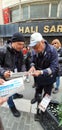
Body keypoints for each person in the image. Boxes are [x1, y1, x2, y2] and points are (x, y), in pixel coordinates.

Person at [28, 32, 59, 104]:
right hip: (38, 76)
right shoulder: (34, 50)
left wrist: (41, 72)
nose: (35, 50)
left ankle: (43, 107)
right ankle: (36, 98)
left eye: (36, 47)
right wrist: (32, 66)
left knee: (47, 94)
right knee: (38, 89)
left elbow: (54, 67)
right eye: (33, 48)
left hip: (49, 77)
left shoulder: (52, 50)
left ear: (42, 42)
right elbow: (32, 60)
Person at [0, 32, 25, 117]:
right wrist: (3, 72)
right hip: (5, 77)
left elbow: (22, 63)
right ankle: (12, 107)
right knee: (8, 94)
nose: (21, 46)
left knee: (16, 87)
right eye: (19, 44)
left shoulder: (20, 52)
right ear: (12, 42)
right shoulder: (2, 50)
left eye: (22, 44)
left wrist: (24, 72)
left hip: (15, 75)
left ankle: (16, 94)